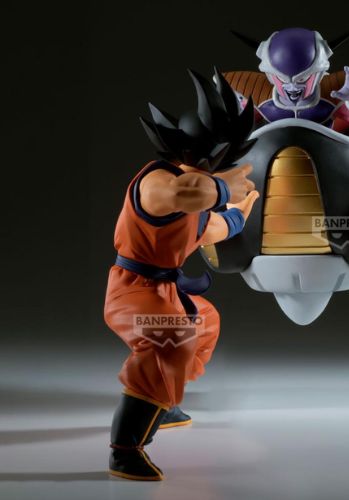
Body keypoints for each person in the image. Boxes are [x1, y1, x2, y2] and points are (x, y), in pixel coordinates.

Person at [104, 69, 259, 481]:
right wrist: (223, 189)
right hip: (131, 292)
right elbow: (186, 193)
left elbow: (212, 226)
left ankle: (164, 401)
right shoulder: (157, 181)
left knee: (204, 322)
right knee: (170, 340)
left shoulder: (197, 199)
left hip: (165, 290)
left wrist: (239, 215)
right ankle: (124, 451)